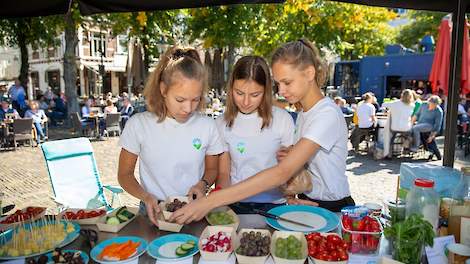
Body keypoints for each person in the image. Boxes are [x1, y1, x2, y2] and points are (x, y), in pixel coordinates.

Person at [170, 39, 354, 224]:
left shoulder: (326, 114)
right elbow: (304, 170)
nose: (281, 91)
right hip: (311, 202)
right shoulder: (306, 113)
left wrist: (209, 201)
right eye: (278, 83)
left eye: (287, 82)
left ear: (309, 73)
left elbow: (282, 172)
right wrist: (292, 194)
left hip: (332, 207)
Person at [118, 46, 224, 226]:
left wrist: (203, 184)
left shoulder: (208, 125)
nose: (188, 108)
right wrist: (146, 196)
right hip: (153, 211)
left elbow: (212, 170)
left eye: (196, 99)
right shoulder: (138, 124)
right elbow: (124, 174)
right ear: (163, 89)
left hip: (194, 210)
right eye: (180, 100)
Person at [216, 56, 295, 214]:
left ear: (266, 91)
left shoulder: (282, 119)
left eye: (254, 95)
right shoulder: (221, 123)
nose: (246, 102)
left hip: (275, 206)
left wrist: (292, 195)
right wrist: (219, 204)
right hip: (235, 205)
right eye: (239, 93)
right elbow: (224, 174)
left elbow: (289, 170)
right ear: (231, 88)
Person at [410, 95, 443, 160]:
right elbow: (417, 114)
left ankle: (416, 146)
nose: (432, 107)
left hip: (430, 126)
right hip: (420, 123)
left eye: (434, 105)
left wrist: (431, 136)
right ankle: (435, 154)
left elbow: (437, 125)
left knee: (415, 128)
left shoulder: (439, 111)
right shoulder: (423, 105)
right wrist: (411, 123)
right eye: (431, 104)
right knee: (412, 129)